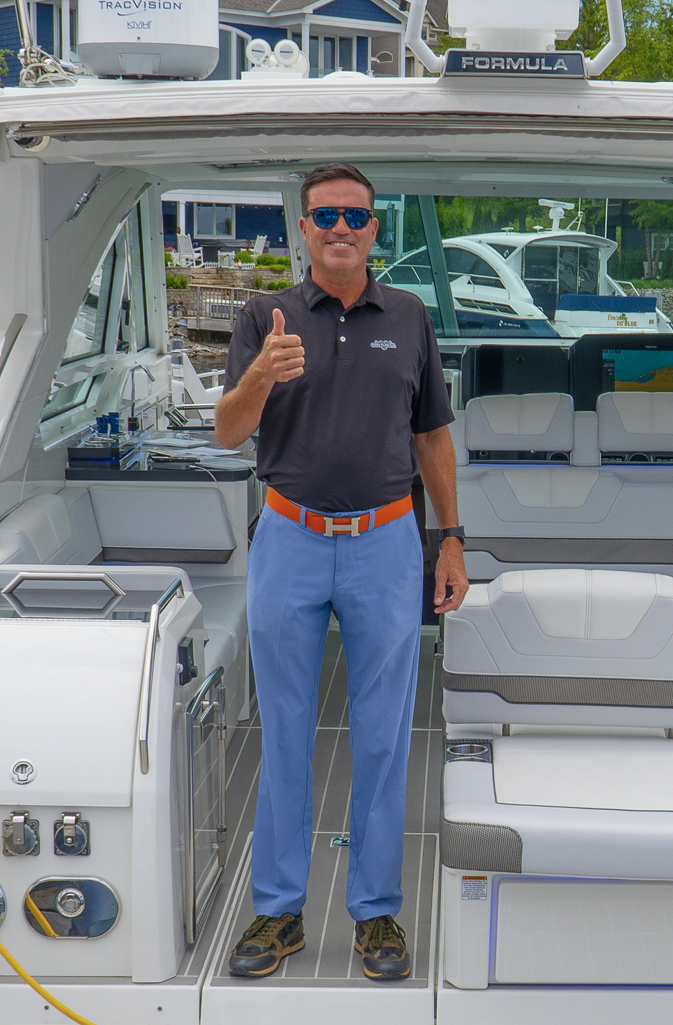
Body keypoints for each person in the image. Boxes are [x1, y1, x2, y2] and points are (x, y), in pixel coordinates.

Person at [216, 162, 466, 982]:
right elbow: (227, 434)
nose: (340, 229)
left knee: (384, 735)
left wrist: (453, 538)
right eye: (325, 215)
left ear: (375, 229)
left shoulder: (411, 316)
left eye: (355, 217)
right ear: (303, 227)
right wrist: (263, 371)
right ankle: (279, 911)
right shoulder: (265, 315)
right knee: (283, 730)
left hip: (388, 543)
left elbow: (432, 436)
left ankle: (377, 914)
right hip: (288, 537)